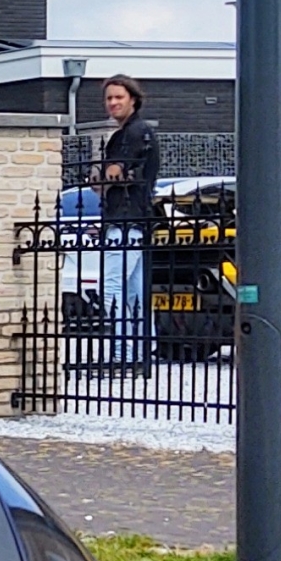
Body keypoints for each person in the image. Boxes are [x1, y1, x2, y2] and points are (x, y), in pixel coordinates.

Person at [97, 73, 158, 374]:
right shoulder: (130, 134)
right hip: (133, 218)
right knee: (134, 293)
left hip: (126, 219)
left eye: (118, 97)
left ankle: (124, 353)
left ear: (133, 98)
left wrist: (107, 177)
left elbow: (113, 175)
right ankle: (142, 352)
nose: (113, 103)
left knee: (111, 288)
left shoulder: (134, 134)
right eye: (109, 98)